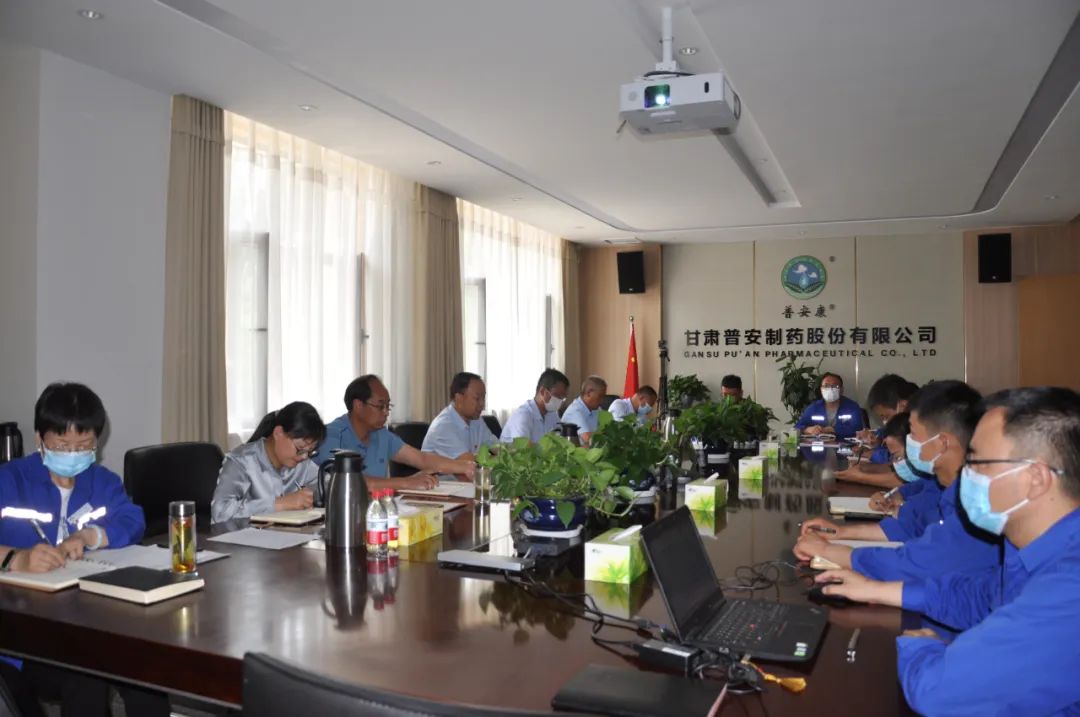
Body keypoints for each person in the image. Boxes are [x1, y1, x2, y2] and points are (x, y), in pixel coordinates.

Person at [812, 387, 1080, 716]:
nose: (966, 474)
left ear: (1034, 479)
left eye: (977, 463)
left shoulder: (1070, 591)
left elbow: (936, 691)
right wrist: (876, 590)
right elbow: (982, 597)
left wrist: (920, 645)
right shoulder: (1034, 548)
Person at [0, 382, 166, 717]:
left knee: (146, 668)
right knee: (87, 675)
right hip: (23, 634)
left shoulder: (101, 481)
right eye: (63, 445)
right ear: (40, 439)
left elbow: (132, 520)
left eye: (84, 445)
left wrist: (93, 536)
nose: (73, 454)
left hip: (90, 618)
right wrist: (15, 558)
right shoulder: (10, 480)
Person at [795, 380, 1000, 580]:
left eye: (913, 434)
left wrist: (829, 551)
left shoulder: (977, 504)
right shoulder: (947, 487)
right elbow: (914, 526)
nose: (908, 442)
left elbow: (919, 562)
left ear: (942, 443)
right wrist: (840, 532)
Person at [315, 375, 474, 491]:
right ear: (358, 405)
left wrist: (466, 467)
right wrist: (406, 482)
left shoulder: (380, 434)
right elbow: (350, 481)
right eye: (380, 406)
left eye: (388, 406)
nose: (386, 412)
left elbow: (422, 459)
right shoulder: (331, 435)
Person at [211, 402, 326, 523]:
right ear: (278, 433)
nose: (304, 457)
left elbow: (325, 483)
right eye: (300, 449)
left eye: (310, 451)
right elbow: (220, 512)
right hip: (245, 534)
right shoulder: (241, 461)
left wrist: (311, 494)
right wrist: (279, 504)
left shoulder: (302, 464)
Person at [421, 372, 498, 460]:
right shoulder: (443, 426)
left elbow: (498, 448)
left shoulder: (477, 420)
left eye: (483, 398)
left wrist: (502, 455)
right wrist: (496, 457)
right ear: (459, 398)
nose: (482, 404)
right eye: (477, 398)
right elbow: (468, 462)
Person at [858, 374, 919, 464]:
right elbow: (885, 433)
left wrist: (874, 454)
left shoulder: (921, 428)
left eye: (886, 416)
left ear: (903, 406)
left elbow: (904, 457)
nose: (885, 421)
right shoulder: (905, 424)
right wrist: (878, 439)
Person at [501, 369, 570, 443]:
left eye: (562, 397)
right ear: (543, 392)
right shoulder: (523, 415)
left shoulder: (552, 415)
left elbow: (561, 442)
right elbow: (524, 447)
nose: (560, 401)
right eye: (557, 396)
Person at [794, 373, 865, 439]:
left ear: (841, 390)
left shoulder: (852, 407)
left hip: (846, 445)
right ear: (821, 389)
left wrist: (833, 429)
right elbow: (797, 427)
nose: (830, 389)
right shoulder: (814, 407)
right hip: (820, 446)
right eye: (826, 386)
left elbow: (858, 429)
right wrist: (807, 429)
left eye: (834, 386)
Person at [561, 375, 607, 446]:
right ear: (589, 393)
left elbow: (608, 428)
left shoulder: (596, 409)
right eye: (600, 396)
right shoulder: (575, 411)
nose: (602, 401)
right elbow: (588, 439)